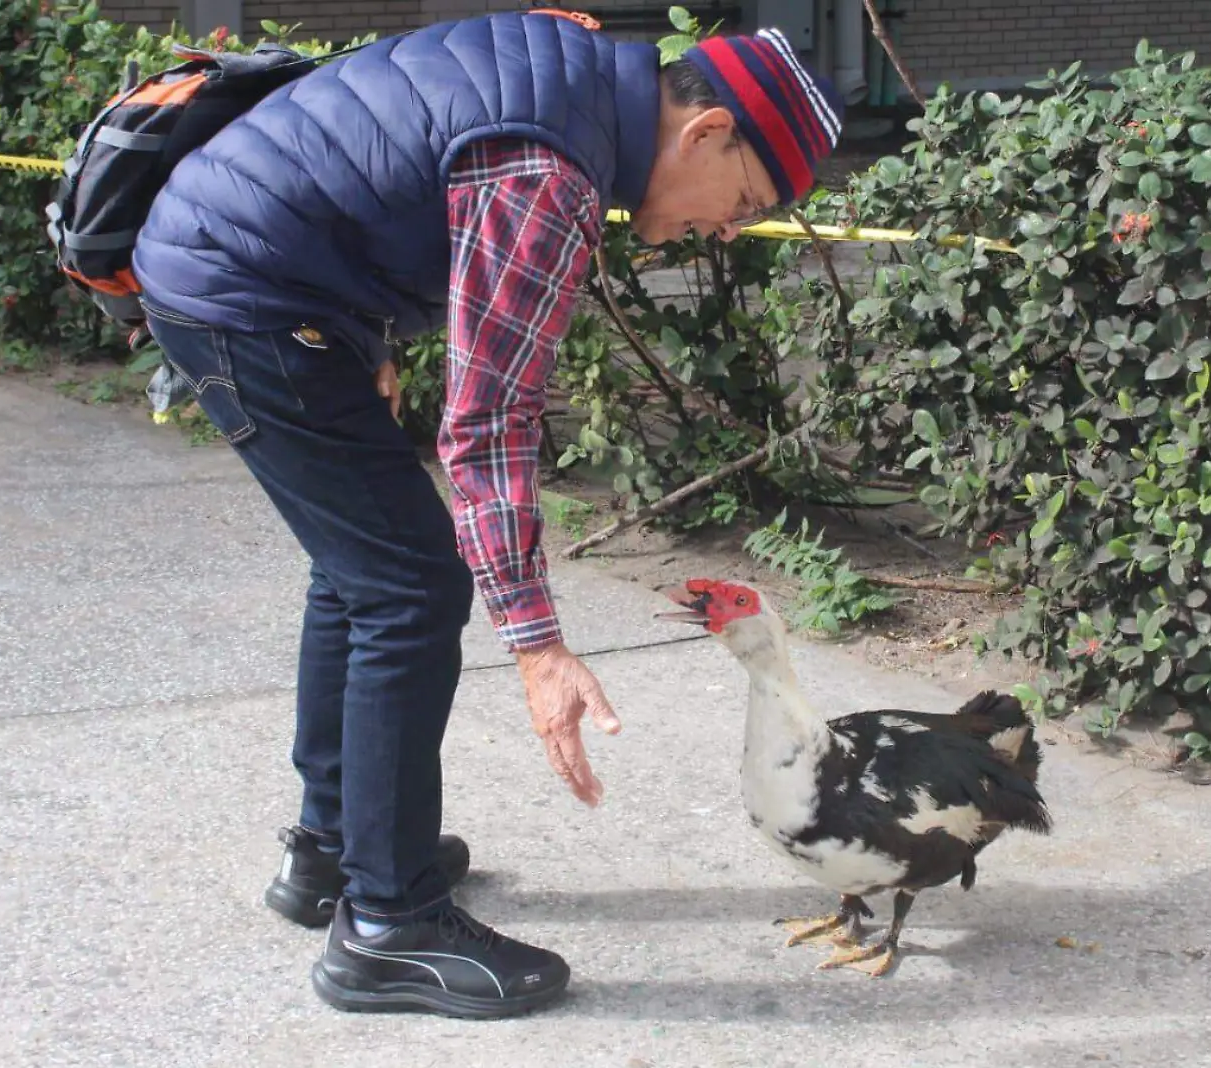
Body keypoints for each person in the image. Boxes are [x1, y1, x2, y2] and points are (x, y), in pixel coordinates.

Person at [129, 8, 843, 1019]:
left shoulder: (577, 83)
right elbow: (489, 417)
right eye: (745, 199)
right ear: (706, 132)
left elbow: (376, 159)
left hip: (245, 268)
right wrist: (538, 644)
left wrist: (353, 331)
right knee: (410, 589)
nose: (728, 228)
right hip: (242, 289)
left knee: (366, 570)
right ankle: (387, 927)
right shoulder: (553, 166)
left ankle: (336, 853)